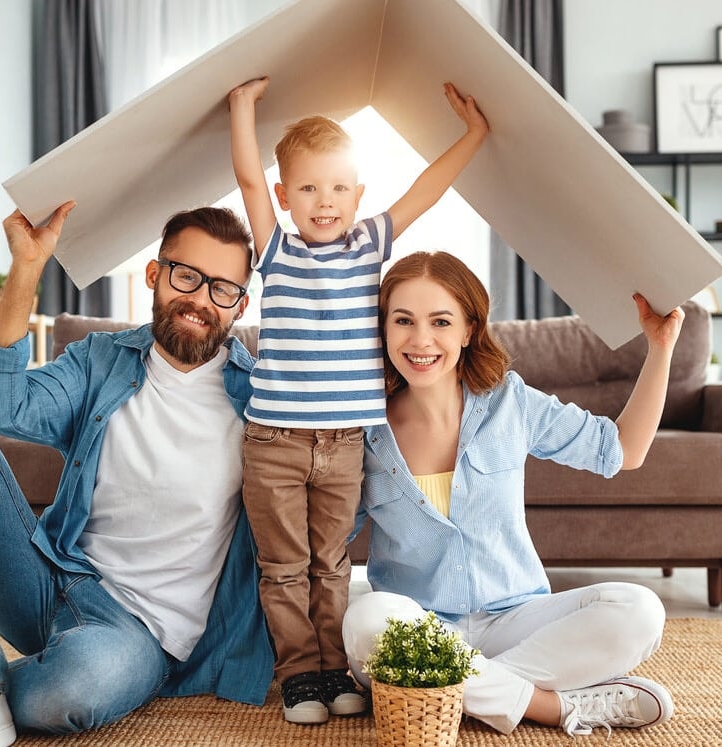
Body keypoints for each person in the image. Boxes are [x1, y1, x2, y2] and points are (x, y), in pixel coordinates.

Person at [0, 203, 274, 746]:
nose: (200, 300)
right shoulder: (102, 360)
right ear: (155, 275)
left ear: (240, 304)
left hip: (140, 635)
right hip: (50, 584)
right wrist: (27, 266)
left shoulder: (260, 398)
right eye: (186, 276)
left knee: (73, 692)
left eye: (222, 288)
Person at [226, 76, 490, 724]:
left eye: (340, 187)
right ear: (287, 196)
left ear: (359, 195)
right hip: (275, 444)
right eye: (309, 188)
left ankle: (336, 669)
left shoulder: (369, 243)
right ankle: (298, 677)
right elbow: (250, 182)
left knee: (333, 565)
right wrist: (242, 110)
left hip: (345, 444)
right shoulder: (277, 248)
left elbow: (424, 192)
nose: (325, 201)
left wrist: (473, 135)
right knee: (285, 568)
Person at [342, 251, 685, 738]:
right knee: (367, 618)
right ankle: (554, 708)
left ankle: (452, 695)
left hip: (517, 620)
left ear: (468, 330)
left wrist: (660, 347)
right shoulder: (362, 430)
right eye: (403, 321)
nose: (420, 340)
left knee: (639, 609)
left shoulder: (509, 401)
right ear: (383, 328)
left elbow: (622, 450)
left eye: (440, 321)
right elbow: (326, 544)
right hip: (421, 629)